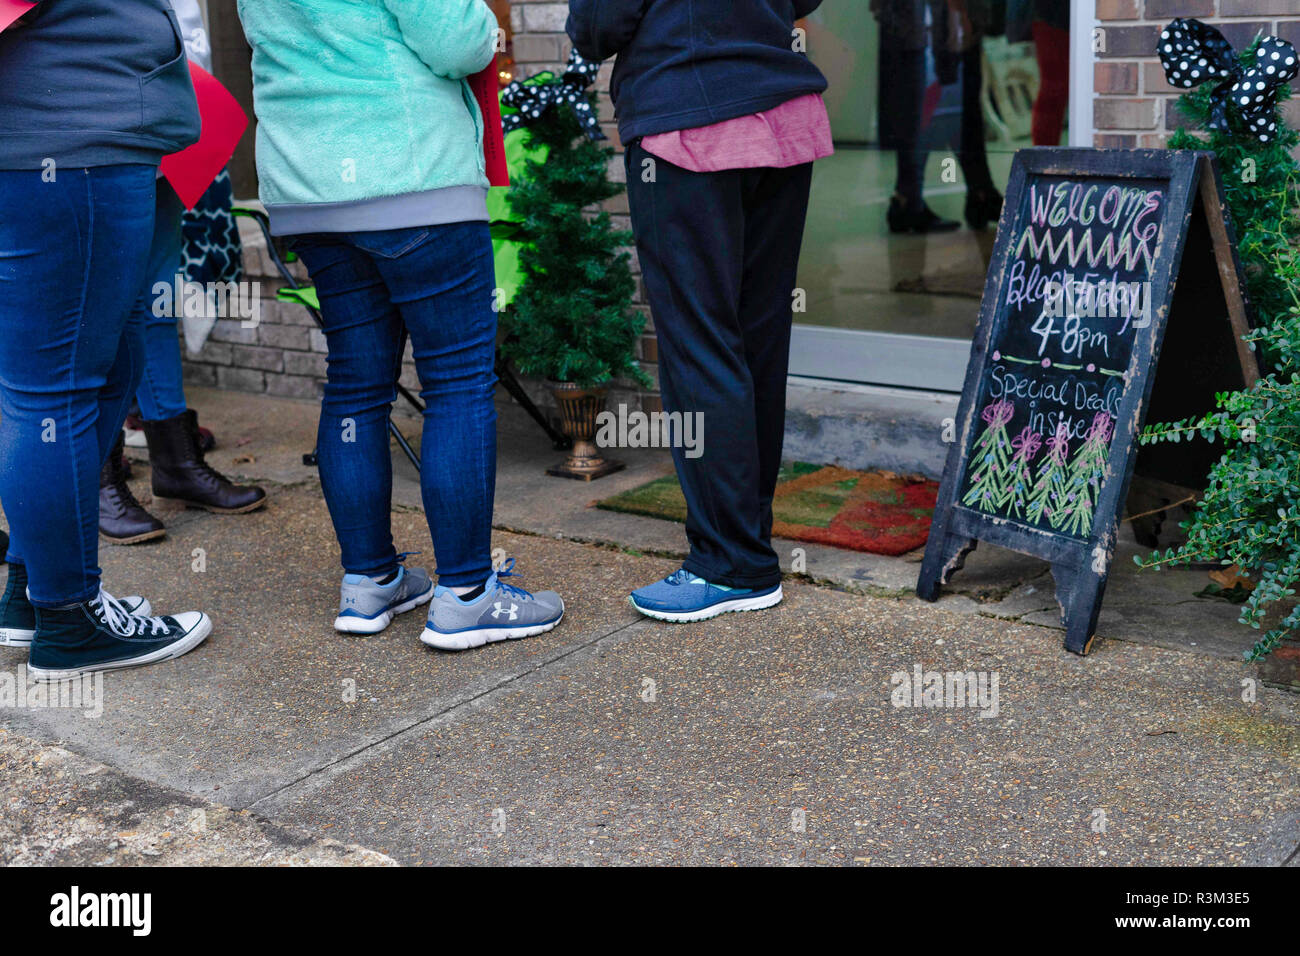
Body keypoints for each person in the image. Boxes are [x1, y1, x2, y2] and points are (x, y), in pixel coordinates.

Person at [238, 0, 564, 650]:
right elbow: (457, 41)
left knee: (356, 387)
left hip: (309, 187)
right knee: (456, 385)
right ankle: (467, 594)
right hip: (410, 173)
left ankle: (368, 583)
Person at [568, 0, 833, 623]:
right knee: (756, 341)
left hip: (688, 122)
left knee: (699, 346)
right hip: (780, 116)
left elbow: (597, 27)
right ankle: (745, 542)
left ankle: (730, 563)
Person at [0, 0, 212, 679]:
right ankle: (71, 621)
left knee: (100, 372)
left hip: (82, 127)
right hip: (67, 135)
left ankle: (32, 596)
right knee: (52, 393)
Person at [99, 0, 267, 546]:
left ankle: (175, 461)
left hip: (173, 119)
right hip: (88, 126)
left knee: (155, 297)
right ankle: (96, 474)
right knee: (94, 304)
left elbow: (190, 33)